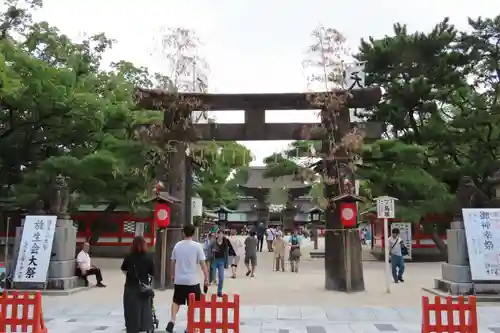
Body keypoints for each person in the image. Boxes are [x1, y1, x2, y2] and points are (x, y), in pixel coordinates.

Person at [166, 225, 209, 333]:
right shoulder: (197, 246)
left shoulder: (177, 246)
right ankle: (189, 326)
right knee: (192, 304)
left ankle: (172, 320)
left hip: (179, 279)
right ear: (193, 234)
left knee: (176, 301)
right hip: (192, 281)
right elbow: (203, 264)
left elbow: (172, 262)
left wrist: (172, 275)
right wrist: (206, 277)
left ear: (183, 233)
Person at [121, 236, 154, 333]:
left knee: (131, 311)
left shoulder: (129, 256)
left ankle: (132, 328)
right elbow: (152, 273)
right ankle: (144, 326)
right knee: (144, 311)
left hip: (130, 287)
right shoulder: (148, 257)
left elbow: (123, 269)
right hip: (144, 288)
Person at [208, 230, 230, 297]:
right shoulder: (213, 242)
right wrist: (211, 254)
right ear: (217, 235)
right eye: (219, 234)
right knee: (213, 276)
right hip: (214, 260)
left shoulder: (225, 242)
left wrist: (227, 262)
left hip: (221, 261)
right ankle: (208, 282)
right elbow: (209, 249)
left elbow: (227, 253)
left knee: (221, 278)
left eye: (221, 234)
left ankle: (219, 291)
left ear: (223, 235)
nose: (220, 235)